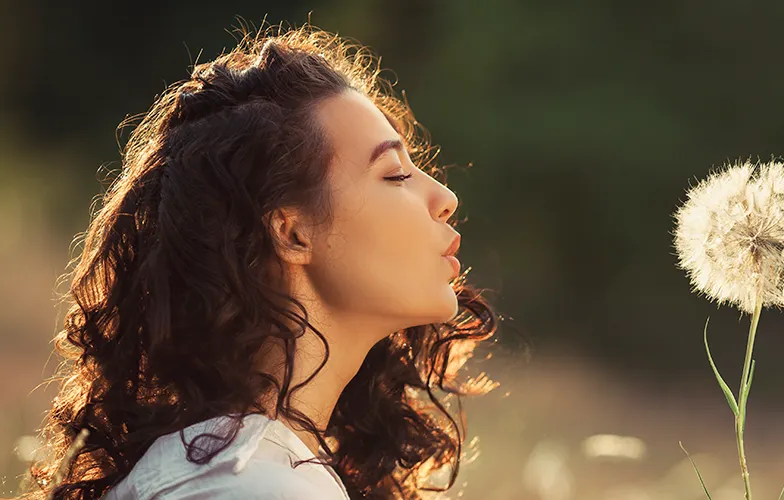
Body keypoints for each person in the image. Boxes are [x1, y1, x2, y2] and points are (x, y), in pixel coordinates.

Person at [20, 23, 498, 499]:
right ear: (291, 233)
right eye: (394, 175)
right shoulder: (253, 485)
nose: (445, 196)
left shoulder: (242, 469)